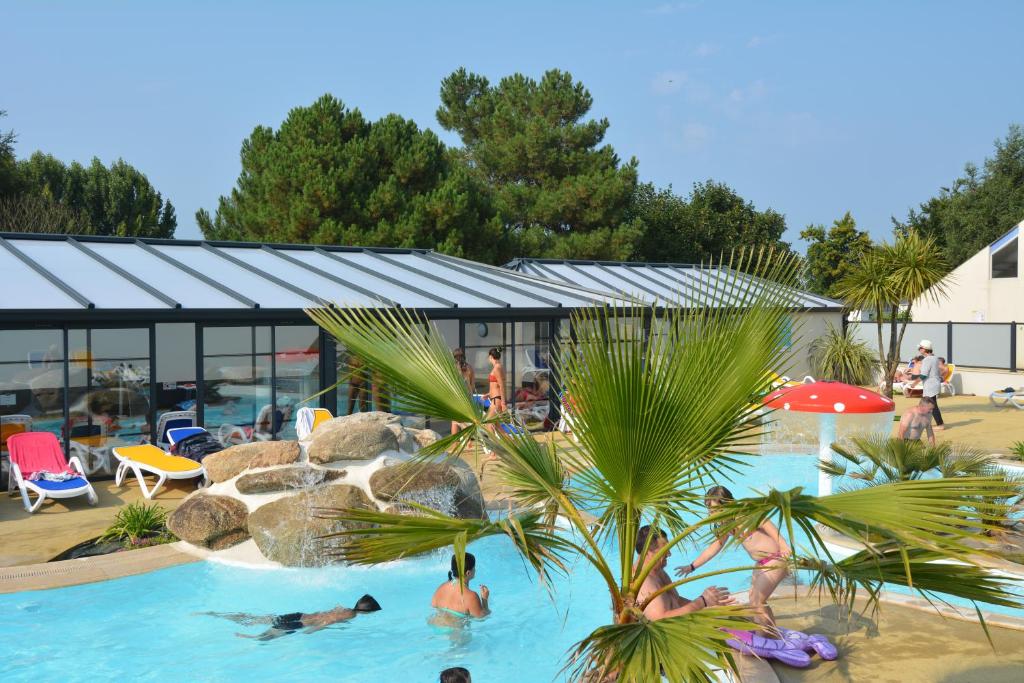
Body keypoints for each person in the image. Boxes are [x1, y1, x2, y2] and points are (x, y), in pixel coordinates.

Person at [675, 486, 791, 630]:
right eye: (710, 511)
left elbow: (766, 522)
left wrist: (784, 546)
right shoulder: (727, 523)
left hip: (776, 558)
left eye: (714, 510)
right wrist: (692, 566)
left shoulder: (744, 513)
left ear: (727, 504)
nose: (711, 514)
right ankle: (771, 633)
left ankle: (768, 637)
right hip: (760, 563)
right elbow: (715, 546)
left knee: (758, 601)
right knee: (754, 600)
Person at [635, 525, 735, 621]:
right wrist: (702, 601)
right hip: (671, 635)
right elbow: (660, 620)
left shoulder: (658, 571)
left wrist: (708, 607)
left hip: (683, 627)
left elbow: (676, 600)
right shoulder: (644, 583)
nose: (669, 554)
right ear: (648, 552)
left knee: (736, 620)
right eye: (664, 549)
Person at [198, 594, 381, 641]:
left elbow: (330, 612)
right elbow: (329, 620)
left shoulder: (345, 607)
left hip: (299, 614)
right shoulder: (351, 614)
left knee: (254, 619)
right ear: (369, 611)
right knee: (263, 639)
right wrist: (312, 631)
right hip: (300, 623)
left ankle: (219, 615)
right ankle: (248, 638)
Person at [431, 552, 490, 620]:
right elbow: (482, 618)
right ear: (468, 573)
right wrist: (484, 599)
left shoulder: (441, 587)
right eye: (474, 567)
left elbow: (433, 606)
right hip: (454, 630)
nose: (475, 569)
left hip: (434, 625)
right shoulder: (471, 596)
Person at [911, 340, 944, 430]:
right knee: (930, 405)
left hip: (930, 386)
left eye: (920, 348)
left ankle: (940, 425)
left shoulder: (927, 360)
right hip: (935, 384)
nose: (919, 349)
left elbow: (923, 375)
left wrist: (914, 383)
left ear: (924, 349)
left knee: (929, 405)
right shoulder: (935, 358)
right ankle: (924, 423)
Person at [451, 348, 475, 435]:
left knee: (455, 420)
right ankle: (467, 440)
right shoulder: (469, 368)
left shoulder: (453, 368)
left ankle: (455, 441)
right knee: (466, 419)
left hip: (457, 396)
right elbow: (472, 384)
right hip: (467, 396)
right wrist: (470, 394)